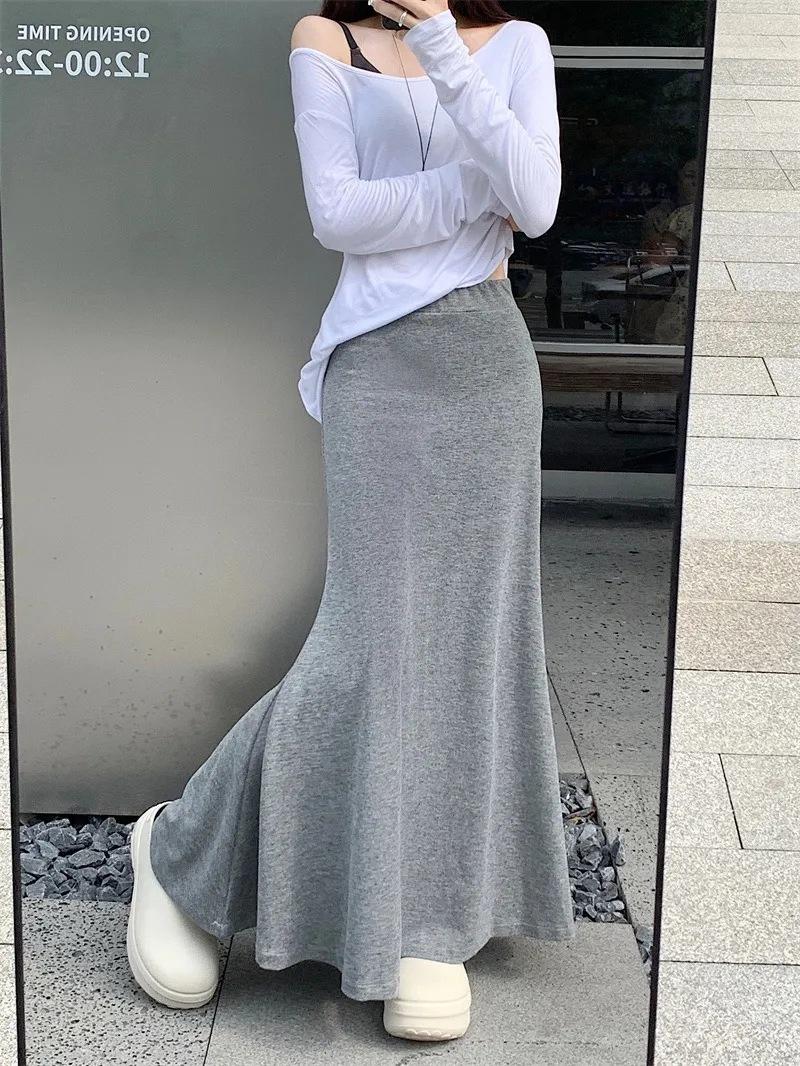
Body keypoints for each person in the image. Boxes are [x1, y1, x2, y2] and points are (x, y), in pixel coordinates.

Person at [126, 0, 575, 1044]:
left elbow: (540, 202)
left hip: (488, 365)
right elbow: (338, 216)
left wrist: (441, 51)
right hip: (378, 361)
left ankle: (427, 913)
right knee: (365, 643)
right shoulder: (321, 40)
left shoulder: (515, 45)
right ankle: (177, 844)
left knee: (468, 642)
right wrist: (477, 189)